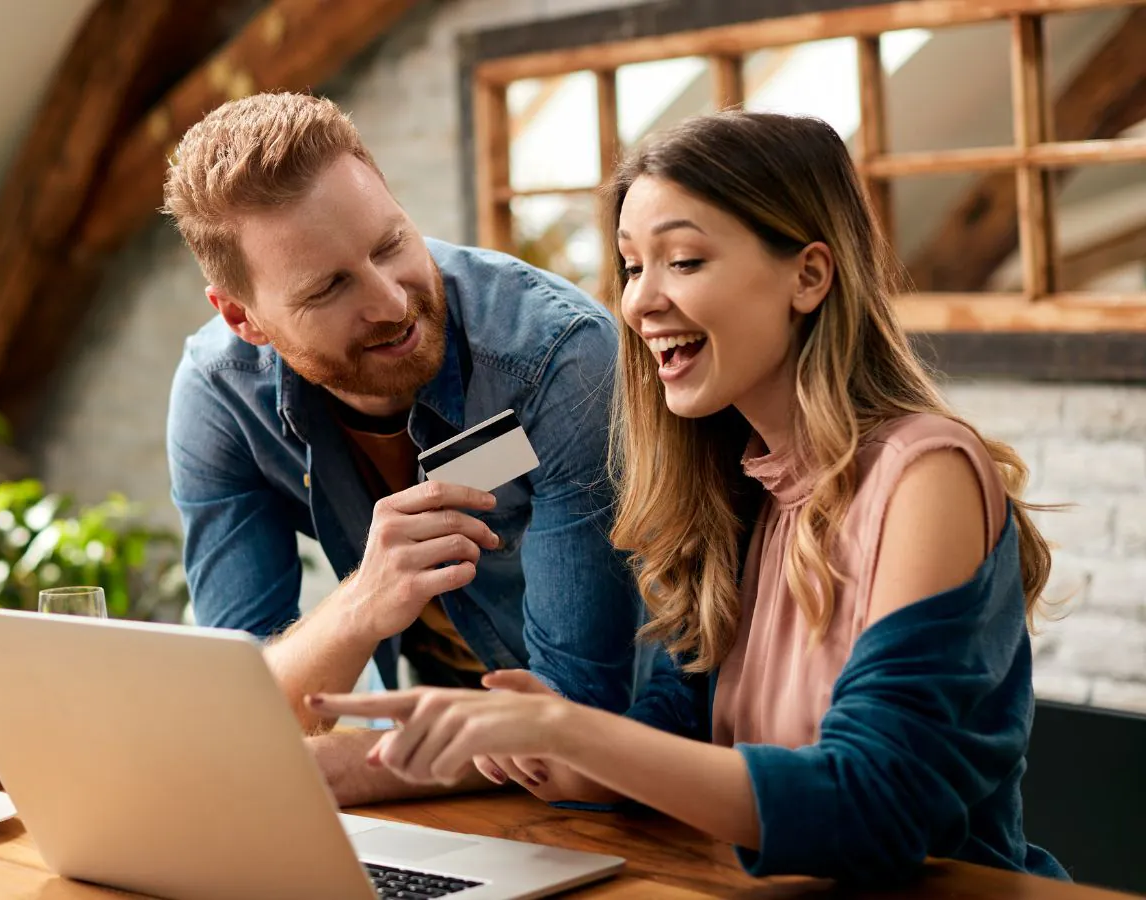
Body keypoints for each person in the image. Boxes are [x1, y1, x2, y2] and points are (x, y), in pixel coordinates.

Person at [310, 110, 1068, 884]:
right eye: (632, 267)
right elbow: (675, 738)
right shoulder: (736, 492)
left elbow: (875, 804)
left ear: (809, 276)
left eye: (684, 260)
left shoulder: (925, 473)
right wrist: (543, 749)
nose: (639, 303)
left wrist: (572, 731)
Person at [162, 92, 644, 806]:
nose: (390, 302)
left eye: (390, 244)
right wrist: (362, 604)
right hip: (453, 787)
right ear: (242, 317)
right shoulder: (221, 395)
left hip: (631, 788)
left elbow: (578, 718)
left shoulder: (557, 358)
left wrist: (326, 771)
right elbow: (244, 703)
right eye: (329, 287)